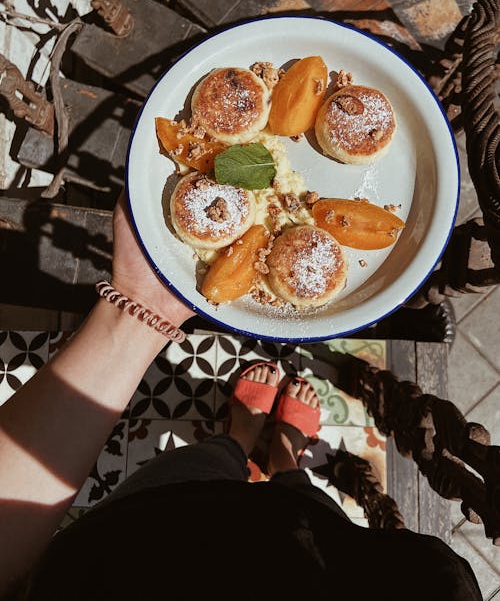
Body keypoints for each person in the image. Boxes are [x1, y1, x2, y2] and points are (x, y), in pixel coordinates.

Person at [0, 194, 482, 601]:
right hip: (343, 570)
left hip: (140, 554)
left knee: (192, 478)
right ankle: (286, 461)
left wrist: (138, 310)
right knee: (315, 518)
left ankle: (235, 441)